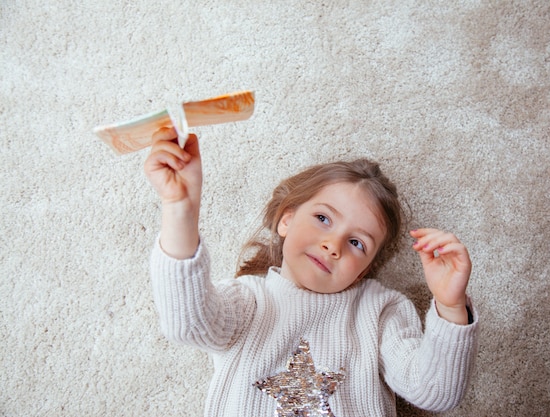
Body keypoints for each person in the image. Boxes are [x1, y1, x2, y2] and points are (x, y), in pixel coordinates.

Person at [144, 127, 478, 416]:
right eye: (323, 218)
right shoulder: (250, 300)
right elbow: (188, 324)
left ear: (363, 272)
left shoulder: (381, 310)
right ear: (286, 220)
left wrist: (450, 306)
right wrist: (180, 209)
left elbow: (435, 391)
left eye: (357, 243)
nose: (333, 245)